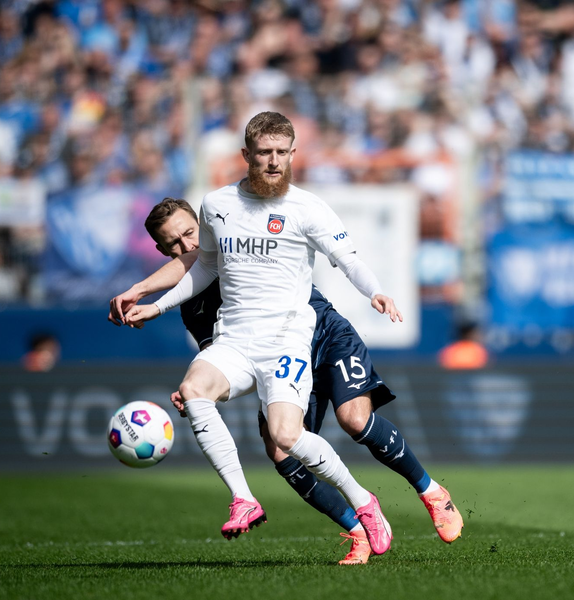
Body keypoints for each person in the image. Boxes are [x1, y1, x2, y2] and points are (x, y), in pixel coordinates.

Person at [111, 196, 464, 564]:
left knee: (354, 419)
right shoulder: (193, 304)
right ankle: (357, 529)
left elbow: (197, 262)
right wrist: (201, 383)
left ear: (205, 225)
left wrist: (142, 292)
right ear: (160, 249)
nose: (187, 245)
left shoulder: (233, 244)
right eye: (174, 243)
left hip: (323, 335)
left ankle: (432, 492)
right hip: (277, 357)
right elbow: (223, 351)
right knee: (281, 451)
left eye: (190, 232)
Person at [119, 112, 398, 557]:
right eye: (263, 153)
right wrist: (154, 306)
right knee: (193, 389)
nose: (272, 161)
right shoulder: (216, 205)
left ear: (292, 154)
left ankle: (363, 500)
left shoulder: (307, 207)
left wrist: (375, 292)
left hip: (286, 337)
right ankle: (243, 499)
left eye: (280, 153)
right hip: (234, 337)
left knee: (287, 438)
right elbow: (205, 266)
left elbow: (347, 258)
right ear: (246, 155)